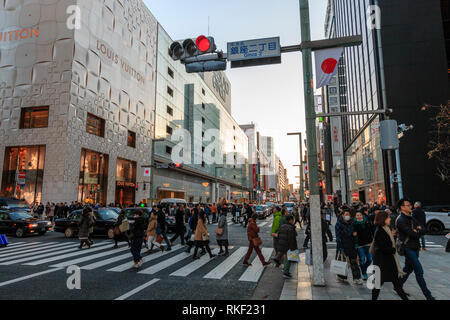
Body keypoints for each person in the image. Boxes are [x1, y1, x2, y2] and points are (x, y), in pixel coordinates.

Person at [396, 198, 435, 300]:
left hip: (415, 247)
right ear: (402, 207)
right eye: (408, 205)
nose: (410, 206)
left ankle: (398, 286)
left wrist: (418, 230)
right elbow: (413, 234)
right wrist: (417, 231)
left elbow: (423, 229)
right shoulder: (400, 220)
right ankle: (428, 295)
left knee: (408, 269)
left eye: (410, 205)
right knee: (419, 271)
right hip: (408, 248)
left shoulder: (412, 218)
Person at [371, 210, 409, 300]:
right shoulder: (380, 231)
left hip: (386, 263)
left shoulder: (385, 229)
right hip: (383, 263)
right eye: (388, 217)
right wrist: (393, 249)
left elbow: (387, 242)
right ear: (383, 219)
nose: (390, 219)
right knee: (379, 285)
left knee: (395, 285)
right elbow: (383, 247)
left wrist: (392, 237)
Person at [335, 209, 363, 285]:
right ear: (342, 215)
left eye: (349, 215)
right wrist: (340, 246)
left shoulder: (352, 223)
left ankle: (357, 278)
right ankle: (341, 277)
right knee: (342, 261)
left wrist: (356, 243)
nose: (347, 216)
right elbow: (338, 236)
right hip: (343, 245)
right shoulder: (339, 224)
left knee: (354, 262)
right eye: (346, 214)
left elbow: (355, 234)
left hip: (351, 245)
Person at [354, 211, 373, 280]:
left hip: (368, 243)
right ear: (355, 217)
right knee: (362, 259)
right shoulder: (354, 224)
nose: (359, 216)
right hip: (359, 245)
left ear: (362, 216)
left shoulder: (367, 222)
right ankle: (364, 273)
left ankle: (364, 268)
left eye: (360, 215)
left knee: (370, 259)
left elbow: (372, 231)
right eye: (357, 215)